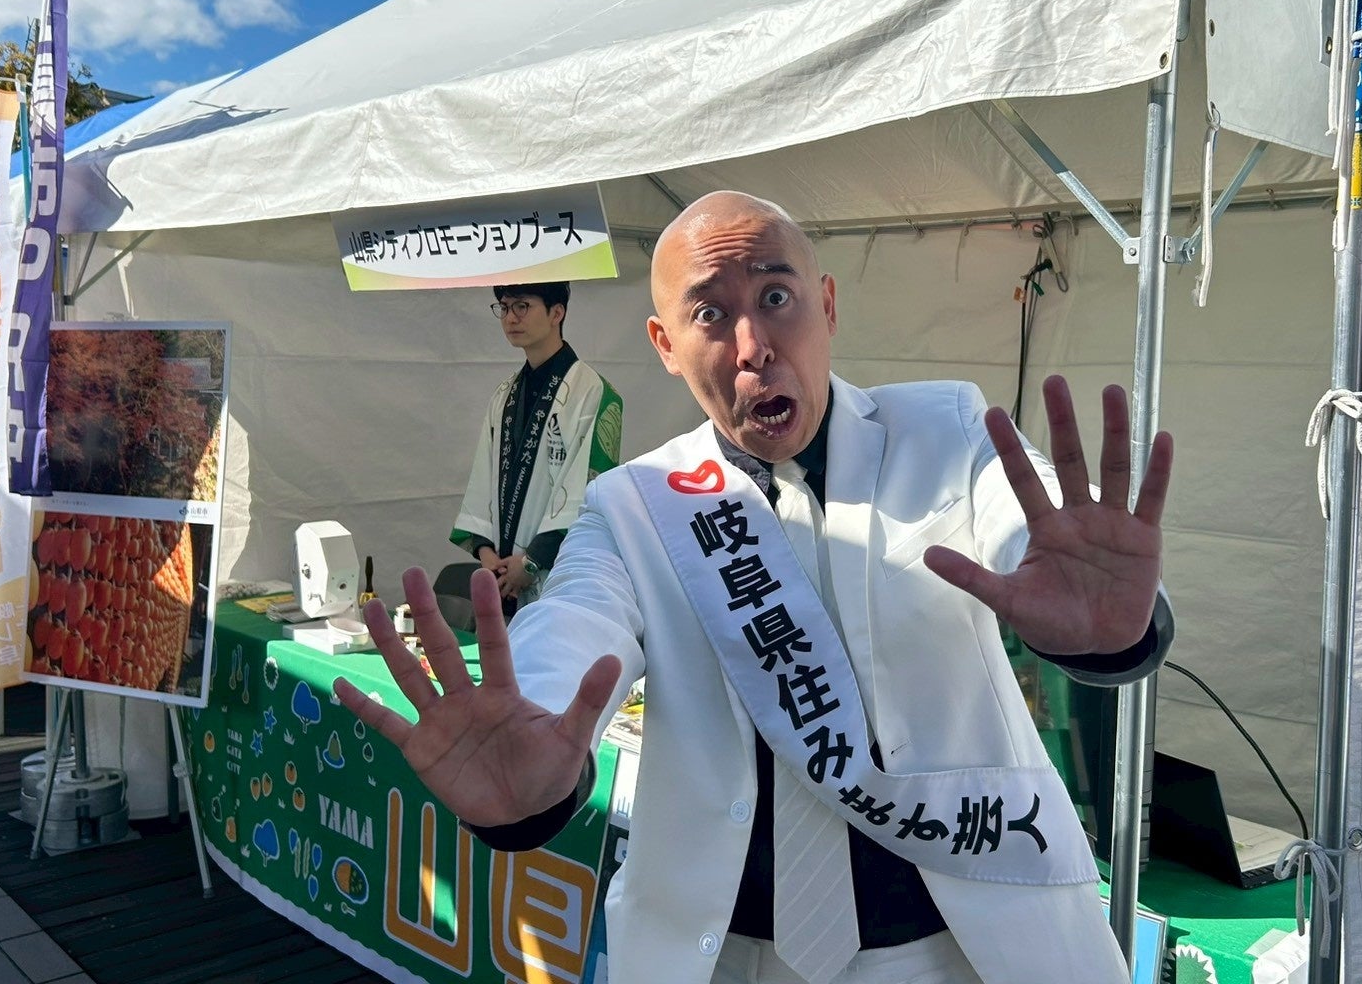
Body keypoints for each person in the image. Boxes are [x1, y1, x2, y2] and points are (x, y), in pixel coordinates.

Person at [337, 192, 1175, 984]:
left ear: (828, 305)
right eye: (709, 313)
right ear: (665, 345)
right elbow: (576, 616)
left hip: (961, 947)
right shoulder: (636, 504)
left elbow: (1029, 528)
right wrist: (536, 715)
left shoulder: (947, 430)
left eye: (777, 297)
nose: (752, 345)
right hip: (728, 957)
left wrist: (1107, 629)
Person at [449, 280, 623, 616]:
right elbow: (484, 474)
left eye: (522, 306)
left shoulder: (593, 392)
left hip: (555, 573)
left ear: (557, 313)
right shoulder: (505, 395)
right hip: (502, 571)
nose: (510, 318)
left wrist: (531, 561)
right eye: (504, 307)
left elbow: (590, 490)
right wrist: (486, 551)